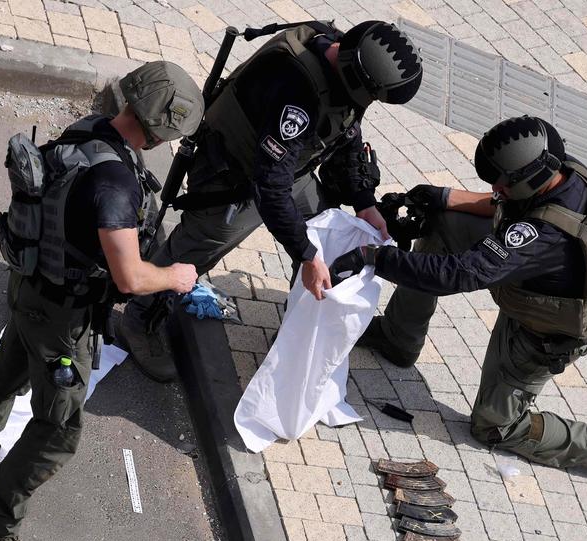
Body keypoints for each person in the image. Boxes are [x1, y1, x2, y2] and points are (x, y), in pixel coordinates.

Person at [0, 61, 204, 541]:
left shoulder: (88, 131)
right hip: (64, 317)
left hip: (29, 288)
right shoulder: (115, 184)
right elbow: (129, 277)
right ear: (161, 130)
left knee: (5, 373)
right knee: (57, 430)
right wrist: (174, 276)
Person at [331, 116, 587, 472]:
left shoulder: (542, 236)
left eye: (501, 185)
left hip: (543, 331)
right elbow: (509, 206)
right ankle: (398, 338)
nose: (495, 191)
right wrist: (444, 198)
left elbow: (457, 274)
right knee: (442, 221)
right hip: (536, 277)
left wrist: (375, 258)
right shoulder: (559, 169)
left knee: (493, 427)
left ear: (529, 179)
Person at [119, 20, 424, 382]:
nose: (371, 102)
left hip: (286, 171)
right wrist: (305, 254)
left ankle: (299, 328)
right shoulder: (297, 89)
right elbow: (270, 186)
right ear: (356, 74)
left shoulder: (341, 57)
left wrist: (364, 203)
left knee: (328, 234)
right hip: (232, 175)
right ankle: (138, 320)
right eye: (373, 95)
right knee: (196, 247)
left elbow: (347, 131)